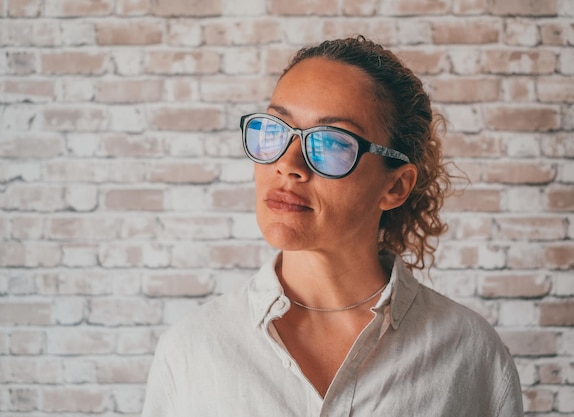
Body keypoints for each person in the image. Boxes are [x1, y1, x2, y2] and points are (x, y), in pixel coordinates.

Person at [141, 36, 523, 417]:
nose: (288, 164)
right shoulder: (191, 352)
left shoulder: (471, 357)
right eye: (275, 130)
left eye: (329, 143)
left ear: (394, 186)